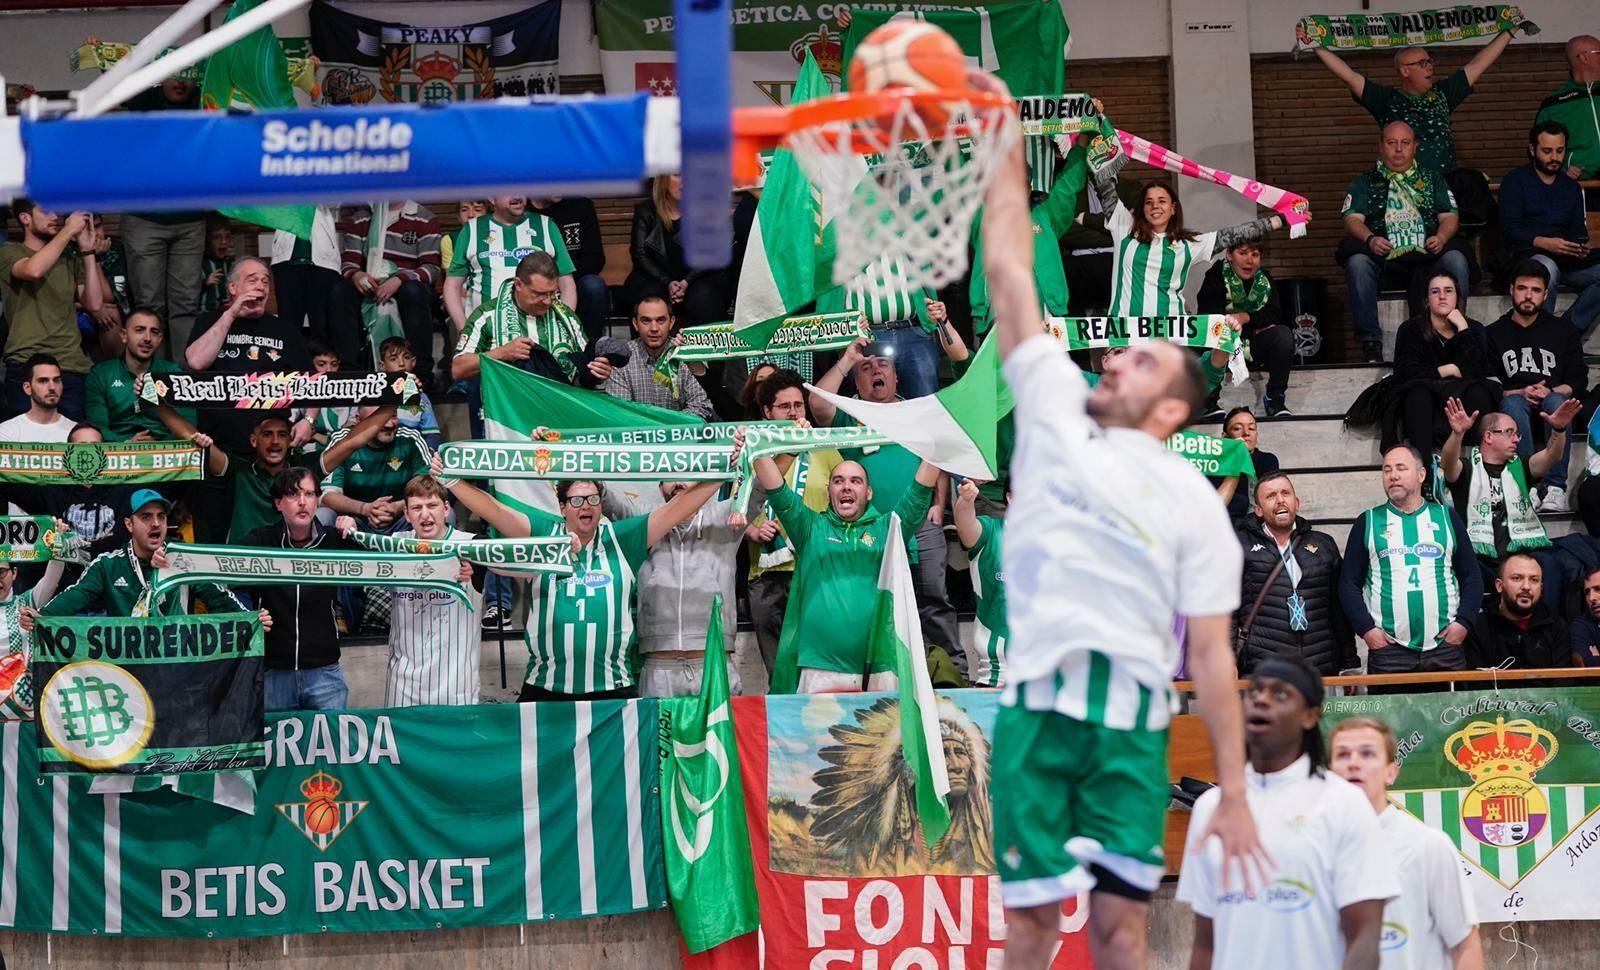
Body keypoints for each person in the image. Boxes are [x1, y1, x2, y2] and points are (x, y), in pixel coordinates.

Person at [973, 69, 1262, 970]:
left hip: (1131, 721)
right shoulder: (1055, 398)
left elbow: (1212, 657)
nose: (1111, 360)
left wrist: (1238, 791)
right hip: (1033, 707)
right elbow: (1010, 269)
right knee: (1026, 928)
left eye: (1138, 361)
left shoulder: (1191, 503)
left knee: (1119, 931)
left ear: (1173, 410)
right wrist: (1001, 151)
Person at [1178, 657, 1397, 970]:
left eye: (1280, 694)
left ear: (1309, 716)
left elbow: (1364, 935)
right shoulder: (1210, 807)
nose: (1261, 700)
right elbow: (1204, 944)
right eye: (1254, 692)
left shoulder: (1342, 802)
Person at [439, 470, 726, 701]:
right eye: (576, 500)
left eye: (592, 499)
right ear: (562, 507)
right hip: (545, 686)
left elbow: (678, 508)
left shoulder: (622, 538)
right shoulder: (544, 536)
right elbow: (497, 511)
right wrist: (451, 479)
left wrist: (722, 471)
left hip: (613, 688)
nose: (585, 506)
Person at [810, 336, 961, 669]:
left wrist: (940, 503)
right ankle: (889, 674)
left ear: (896, 376)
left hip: (921, 524)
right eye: (866, 367)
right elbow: (818, 404)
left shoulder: (915, 411)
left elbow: (937, 454)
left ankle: (954, 674)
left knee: (934, 600)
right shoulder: (850, 415)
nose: (875, 370)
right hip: (871, 530)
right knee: (879, 604)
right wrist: (848, 358)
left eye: (883, 365)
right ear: (856, 380)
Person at [746, 445, 938, 694]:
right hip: (820, 667)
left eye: (855, 481)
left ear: (868, 493)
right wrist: (756, 446)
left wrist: (938, 443)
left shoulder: (887, 529)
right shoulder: (810, 527)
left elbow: (918, 495)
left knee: (879, 734)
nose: (846, 486)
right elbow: (777, 491)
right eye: (838, 481)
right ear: (829, 492)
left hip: (879, 667)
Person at [1329, 717, 1484, 970]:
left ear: (1391, 772)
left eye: (1367, 754)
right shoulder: (1312, 849)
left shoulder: (1428, 846)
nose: (1354, 763)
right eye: (1343, 755)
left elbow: (1464, 945)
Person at [336, 474, 483, 706]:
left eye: (432, 505)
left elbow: (515, 557)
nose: (425, 514)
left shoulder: (473, 545)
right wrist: (348, 523)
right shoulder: (394, 543)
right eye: (416, 508)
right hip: (403, 689)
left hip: (456, 690)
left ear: (446, 509)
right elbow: (347, 545)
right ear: (406, 514)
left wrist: (473, 567)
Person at [1339, 444, 1482, 675]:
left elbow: (1472, 576)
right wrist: (1367, 631)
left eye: (1401, 468)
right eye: (1386, 470)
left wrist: (1463, 624)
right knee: (1388, 713)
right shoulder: (1367, 522)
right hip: (1389, 651)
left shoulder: (1447, 517)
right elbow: (1348, 584)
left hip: (1445, 646)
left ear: (1421, 474)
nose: (1393, 475)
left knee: (1448, 712)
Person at [603, 478, 747, 697]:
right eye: (671, 476)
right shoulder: (644, 520)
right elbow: (604, 496)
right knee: (657, 733)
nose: (678, 482)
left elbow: (762, 487)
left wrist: (750, 453)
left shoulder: (726, 516)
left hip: (714, 667)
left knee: (722, 733)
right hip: (659, 671)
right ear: (659, 487)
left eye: (687, 474)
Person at [1340, 122, 1469, 362]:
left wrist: (1441, 237)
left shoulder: (1433, 179)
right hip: (1383, 258)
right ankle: (1371, 344)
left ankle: (1456, 331)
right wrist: (1370, 239)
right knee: (1357, 263)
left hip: (1428, 256)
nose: (1398, 149)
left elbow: (1450, 216)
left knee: (1456, 259)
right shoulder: (1365, 182)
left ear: (1415, 147)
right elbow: (1352, 219)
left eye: (1405, 143)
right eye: (1391, 143)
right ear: (1381, 146)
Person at [1086, 165, 1287, 318]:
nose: (1155, 206)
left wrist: (1282, 220)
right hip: (1126, 335)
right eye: (1149, 202)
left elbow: (1235, 234)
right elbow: (1105, 187)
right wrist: (1097, 132)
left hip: (1170, 337)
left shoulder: (1188, 244)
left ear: (1173, 207)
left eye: (1162, 201)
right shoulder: (1125, 228)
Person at [742, 369, 842, 677]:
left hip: (814, 570)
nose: (794, 413)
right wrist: (753, 531)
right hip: (766, 574)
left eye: (799, 405)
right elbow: (731, 508)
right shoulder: (750, 451)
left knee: (816, 667)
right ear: (767, 412)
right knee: (779, 672)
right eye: (785, 407)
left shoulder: (822, 447)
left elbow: (844, 500)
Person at [26, 490, 256, 620]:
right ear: (129, 524)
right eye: (146, 517)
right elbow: (76, 595)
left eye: (161, 516)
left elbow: (220, 599)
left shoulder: (183, 562)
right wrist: (41, 617)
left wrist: (252, 620)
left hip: (175, 667)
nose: (155, 523)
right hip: (129, 672)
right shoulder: (108, 565)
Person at [240, 467, 362, 710]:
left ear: (318, 500)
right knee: (275, 749)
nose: (303, 502)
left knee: (332, 747)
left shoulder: (335, 540)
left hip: (325, 674)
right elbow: (218, 571)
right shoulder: (261, 541)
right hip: (274, 673)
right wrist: (246, 614)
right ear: (278, 503)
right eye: (293, 495)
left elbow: (383, 562)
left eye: (309, 494)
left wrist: (357, 529)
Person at [1313, 34, 1513, 176]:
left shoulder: (1443, 93)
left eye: (1430, 61)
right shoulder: (1386, 99)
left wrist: (1509, 31)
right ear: (1404, 71)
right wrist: (1314, 44)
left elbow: (1478, 63)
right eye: (1422, 63)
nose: (1430, 67)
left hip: (1444, 187)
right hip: (1401, 190)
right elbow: (1348, 75)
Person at [452, 252, 609, 421]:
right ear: (518, 284)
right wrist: (501, 353)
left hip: (561, 416)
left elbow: (585, 367)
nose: (548, 301)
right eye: (539, 294)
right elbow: (458, 369)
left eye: (552, 293)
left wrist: (598, 370)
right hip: (509, 419)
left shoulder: (566, 317)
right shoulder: (487, 316)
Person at [1439, 398, 1579, 587]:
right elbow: (1447, 464)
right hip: (1481, 557)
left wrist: (1559, 430)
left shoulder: (1520, 465)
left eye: (1517, 434)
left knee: (1554, 563)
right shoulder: (1467, 468)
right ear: (1488, 436)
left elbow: (1552, 455)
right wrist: (1457, 434)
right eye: (1509, 433)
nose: (1516, 439)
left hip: (1520, 555)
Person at [185, 257, 316, 455]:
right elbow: (196, 362)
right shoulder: (209, 321)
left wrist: (309, 420)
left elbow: (315, 383)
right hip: (217, 446)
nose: (261, 287)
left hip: (272, 447)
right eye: (252, 280)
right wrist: (231, 314)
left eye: (265, 281)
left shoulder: (284, 330)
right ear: (233, 287)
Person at [1487, 259, 1586, 512]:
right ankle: (1526, 486)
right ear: (1511, 290)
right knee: (1512, 403)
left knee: (1557, 403)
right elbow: (1487, 381)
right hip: (1514, 405)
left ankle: (1555, 489)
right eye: (1522, 288)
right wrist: (1518, 391)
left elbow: (1577, 378)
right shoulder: (1494, 333)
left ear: (1545, 294)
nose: (1528, 296)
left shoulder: (1563, 330)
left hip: (1552, 401)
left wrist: (1551, 391)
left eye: (1535, 290)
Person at [1236, 472, 1355, 677]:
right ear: (1258, 510)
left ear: (1296, 502)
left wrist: (1349, 664)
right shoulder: (1239, 545)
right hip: (1263, 671)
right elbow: (1228, 611)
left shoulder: (1323, 544)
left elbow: (1339, 610)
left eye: (1286, 493)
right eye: (1271, 496)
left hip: (1320, 669)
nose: (1280, 500)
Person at [969, 140, 1090, 343]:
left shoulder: (1046, 214)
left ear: (1028, 189)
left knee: (1049, 375)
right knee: (999, 375)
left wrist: (1082, 144)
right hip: (998, 322)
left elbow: (1068, 185)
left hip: (1046, 319)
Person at [0, 200, 105, 418]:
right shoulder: (9, 251)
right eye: (46, 211)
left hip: (70, 363)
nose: (55, 216)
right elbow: (33, 270)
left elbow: (94, 303)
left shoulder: (68, 257)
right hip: (26, 361)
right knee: (27, 445)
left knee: (70, 443)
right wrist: (67, 231)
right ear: (25, 218)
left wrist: (87, 252)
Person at [1497, 122, 1600, 333]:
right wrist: (1544, 242)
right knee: (1546, 269)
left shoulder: (1571, 187)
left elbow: (1577, 233)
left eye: (1559, 151)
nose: (1554, 157)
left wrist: (1579, 247)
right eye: (1547, 151)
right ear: (1532, 150)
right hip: (1526, 254)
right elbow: (1509, 228)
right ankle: (1540, 335)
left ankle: (1564, 332)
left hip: (1564, 257)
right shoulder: (1515, 181)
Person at [1382, 272, 1498, 453]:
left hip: (1462, 401)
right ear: (1427, 300)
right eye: (1435, 292)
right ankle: (1426, 468)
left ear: (1458, 297)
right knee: (1417, 393)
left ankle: (1479, 463)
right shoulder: (1410, 329)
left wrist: (1463, 330)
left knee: (1480, 392)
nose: (1442, 296)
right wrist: (1444, 370)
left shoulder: (1474, 329)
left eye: (1448, 291)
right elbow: (1404, 372)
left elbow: (1481, 370)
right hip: (1425, 405)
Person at [333, 201, 443, 382]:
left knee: (413, 292)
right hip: (371, 281)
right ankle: (350, 372)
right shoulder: (361, 219)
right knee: (340, 292)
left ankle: (421, 374)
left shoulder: (424, 218)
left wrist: (399, 279)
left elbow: (431, 269)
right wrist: (357, 275)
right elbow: (348, 264)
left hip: (408, 283)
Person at [444, 195, 576, 335]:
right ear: (492, 198)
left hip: (541, 334)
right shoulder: (472, 229)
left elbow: (567, 284)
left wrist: (562, 328)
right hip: (486, 334)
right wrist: (464, 331)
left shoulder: (546, 225)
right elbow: (452, 285)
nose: (517, 195)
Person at [1197, 240, 1295, 417]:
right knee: (1205, 334)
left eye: (1255, 255)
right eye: (1243, 253)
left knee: (1283, 335)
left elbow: (1274, 314)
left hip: (1252, 345)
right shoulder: (1216, 275)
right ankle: (1208, 400)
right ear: (1229, 255)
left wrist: (1245, 318)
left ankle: (1275, 399)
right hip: (1223, 346)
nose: (1249, 260)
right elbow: (1207, 313)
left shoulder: (1265, 279)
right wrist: (1239, 326)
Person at [625, 175, 733, 326]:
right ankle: (645, 350)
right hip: (654, 277)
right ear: (663, 179)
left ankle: (709, 348)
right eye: (677, 175)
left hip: (700, 276)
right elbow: (639, 254)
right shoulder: (646, 211)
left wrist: (686, 281)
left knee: (705, 297)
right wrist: (667, 282)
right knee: (650, 299)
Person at [83, 308, 193, 441]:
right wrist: (125, 443)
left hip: (166, 451)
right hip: (118, 451)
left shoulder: (173, 373)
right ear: (124, 335)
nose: (147, 338)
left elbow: (189, 422)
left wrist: (162, 444)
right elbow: (97, 426)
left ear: (159, 339)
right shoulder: (101, 374)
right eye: (139, 330)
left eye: (154, 332)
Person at [601, 294, 716, 417]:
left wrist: (666, 430)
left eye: (660, 320)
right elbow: (622, 413)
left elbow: (702, 406)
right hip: (641, 433)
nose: (654, 328)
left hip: (683, 433)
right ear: (635, 324)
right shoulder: (621, 358)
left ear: (671, 322)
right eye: (646, 320)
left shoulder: (687, 353)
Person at [1464, 554, 1574, 671]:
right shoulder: (1477, 628)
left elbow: (1563, 683)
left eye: (1534, 580)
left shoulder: (1557, 627)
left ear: (1541, 588)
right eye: (1517, 578)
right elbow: (1475, 685)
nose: (1526, 586)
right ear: (1499, 586)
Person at [529, 196, 609, 342]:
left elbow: (596, 258)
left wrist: (561, 278)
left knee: (593, 285)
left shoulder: (581, 205)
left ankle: (590, 348)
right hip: (534, 282)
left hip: (573, 279)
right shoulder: (524, 211)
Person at [0, 546, 65, 724]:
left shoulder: (28, 602)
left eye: (1, 572)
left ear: (14, 573)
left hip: (23, 715)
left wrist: (57, 543)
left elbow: (52, 579)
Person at [952, 477, 1007, 687]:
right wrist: (965, 501)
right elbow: (966, 526)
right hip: (998, 676)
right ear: (1010, 497)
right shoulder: (991, 531)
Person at [1536, 36, 1600, 181]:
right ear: (1583, 58)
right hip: (1581, 187)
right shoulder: (1554, 104)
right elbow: (1537, 150)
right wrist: (1561, 171)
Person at [1212, 407, 1278, 521]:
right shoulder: (1214, 464)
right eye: (1237, 428)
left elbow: (1272, 502)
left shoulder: (1267, 460)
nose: (1246, 433)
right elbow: (1213, 509)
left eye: (1251, 428)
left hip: (1260, 526)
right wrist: (1237, 459)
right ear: (1225, 437)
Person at [376, 337, 441, 451]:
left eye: (406, 357)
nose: (401, 364)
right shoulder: (374, 395)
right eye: (393, 359)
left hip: (410, 456)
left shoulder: (420, 397)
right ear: (383, 366)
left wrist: (425, 458)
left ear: (413, 361)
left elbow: (432, 435)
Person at [0, 354, 75, 442]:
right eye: (43, 381)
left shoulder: (76, 432)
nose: (52, 387)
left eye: (56, 380)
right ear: (27, 388)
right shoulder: (7, 431)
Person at [197, 217, 233, 316]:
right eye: (217, 237)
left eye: (227, 237)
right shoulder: (200, 264)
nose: (223, 241)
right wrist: (205, 283)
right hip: (203, 315)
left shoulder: (229, 264)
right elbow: (186, 294)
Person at [1570, 566, 1600, 666]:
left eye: (1598, 589)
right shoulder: (1581, 626)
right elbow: (1587, 668)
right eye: (1587, 592)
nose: (1591, 598)